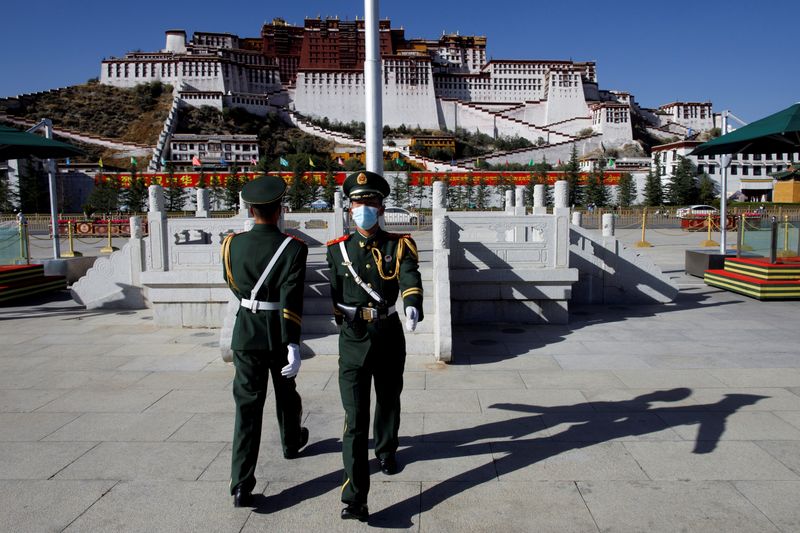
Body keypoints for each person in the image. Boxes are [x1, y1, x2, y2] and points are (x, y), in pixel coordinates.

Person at [325, 170, 424, 522]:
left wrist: (412, 301)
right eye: (357, 202)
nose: (363, 208)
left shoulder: (399, 244)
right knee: (354, 419)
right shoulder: (337, 251)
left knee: (388, 398)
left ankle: (386, 448)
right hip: (353, 339)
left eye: (369, 203)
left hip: (388, 333)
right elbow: (335, 293)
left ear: (381, 207)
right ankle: (355, 497)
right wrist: (340, 317)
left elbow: (410, 274)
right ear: (349, 208)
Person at [221, 175, 309, 508]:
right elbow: (291, 298)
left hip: (246, 331)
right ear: (280, 209)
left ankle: (241, 483)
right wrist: (293, 343)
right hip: (278, 331)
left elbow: (232, 284)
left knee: (247, 407)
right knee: (286, 392)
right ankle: (291, 442)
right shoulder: (293, 247)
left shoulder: (231, 245)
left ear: (250, 208)